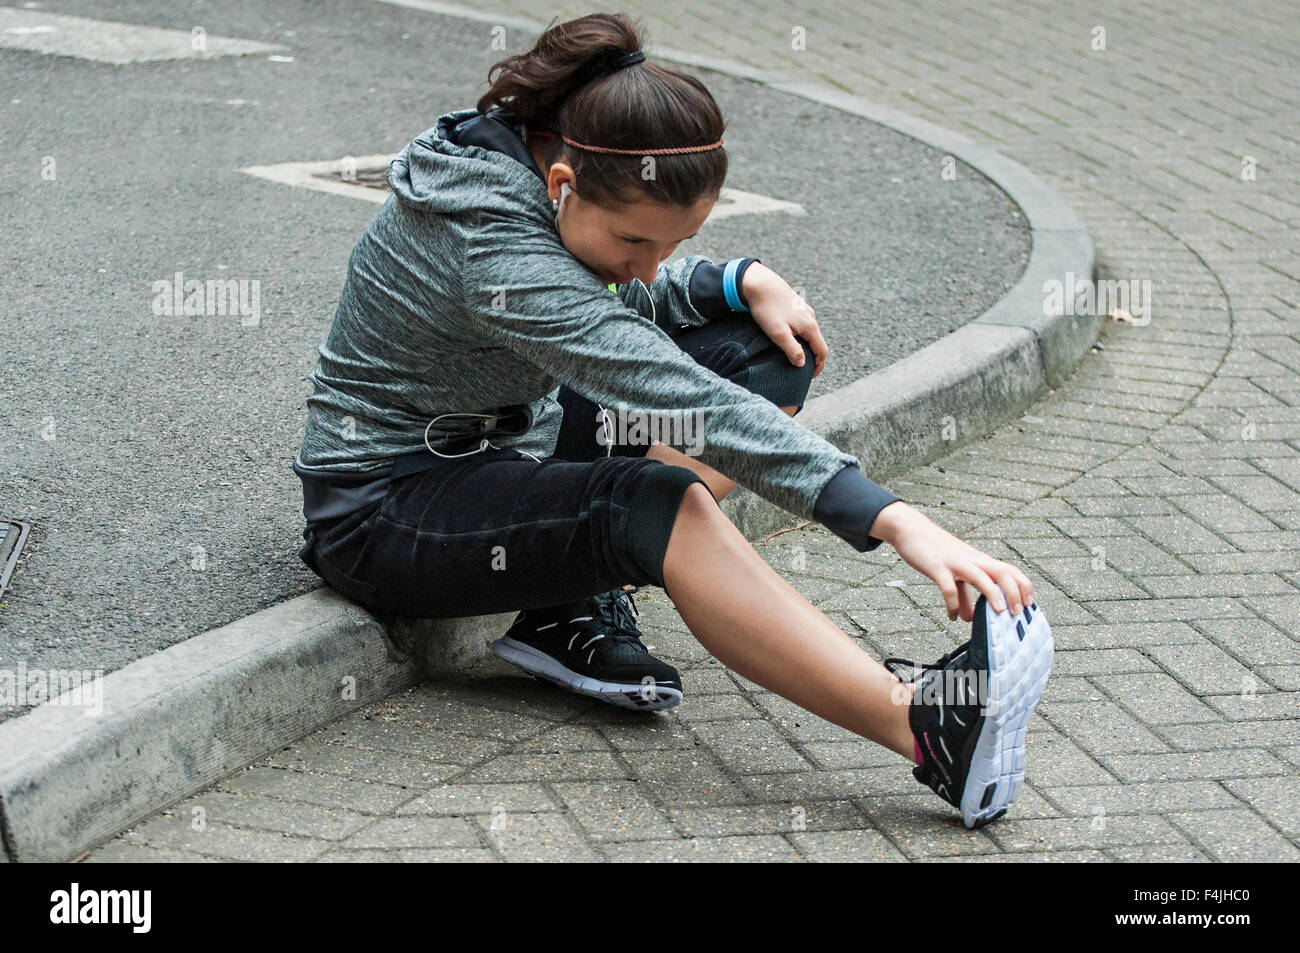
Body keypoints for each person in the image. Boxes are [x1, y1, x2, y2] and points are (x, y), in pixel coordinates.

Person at [292, 12, 1054, 828]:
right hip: (386, 507)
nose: (648, 264)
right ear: (561, 186)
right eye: (636, 239)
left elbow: (619, 292)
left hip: (516, 449)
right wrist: (896, 520)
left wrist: (732, 279)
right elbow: (655, 376)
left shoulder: (543, 169)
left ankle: (577, 594)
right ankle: (929, 732)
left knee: (767, 353)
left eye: (675, 242)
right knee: (660, 501)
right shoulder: (489, 243)